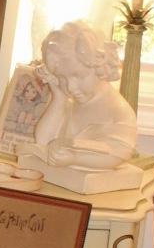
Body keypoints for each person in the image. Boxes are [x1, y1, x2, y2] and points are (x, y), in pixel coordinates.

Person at [29, 20, 136, 170]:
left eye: (78, 76)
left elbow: (117, 154)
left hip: (94, 181)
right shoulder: (70, 102)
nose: (71, 87)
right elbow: (43, 141)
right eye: (62, 78)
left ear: (100, 66)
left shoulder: (117, 110)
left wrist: (75, 158)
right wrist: (59, 97)